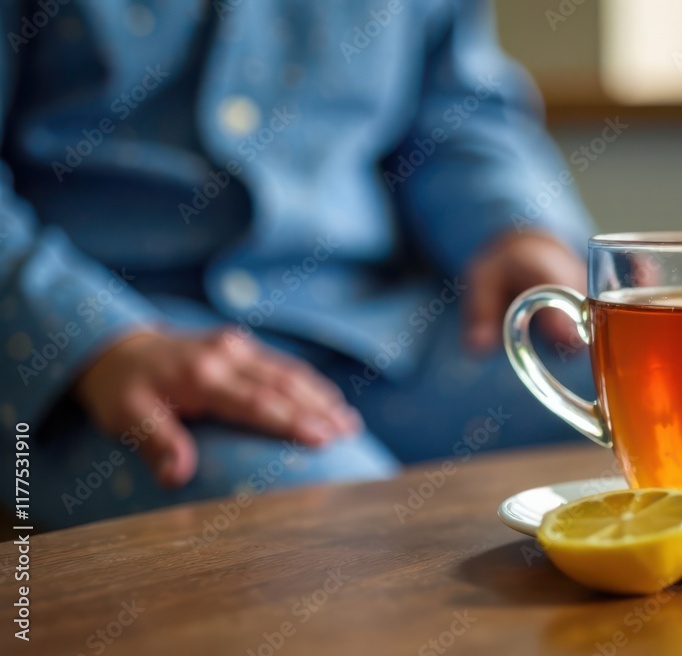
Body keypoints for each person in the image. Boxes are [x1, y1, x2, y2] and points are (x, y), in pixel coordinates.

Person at [0, 0, 595, 528]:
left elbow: (456, 111)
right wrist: (96, 339)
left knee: (666, 402)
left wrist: (515, 230)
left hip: (384, 328)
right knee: (318, 537)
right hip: (103, 360)